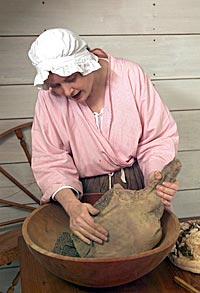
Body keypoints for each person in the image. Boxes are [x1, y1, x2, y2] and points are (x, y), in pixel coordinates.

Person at [28, 28, 179, 245]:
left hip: (137, 184)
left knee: (148, 251)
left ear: (86, 63)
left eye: (71, 78)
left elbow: (156, 138)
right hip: (83, 195)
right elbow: (51, 159)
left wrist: (156, 178)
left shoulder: (130, 76)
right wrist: (72, 207)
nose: (67, 91)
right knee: (94, 258)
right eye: (56, 86)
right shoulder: (48, 99)